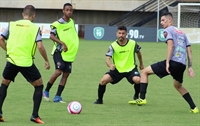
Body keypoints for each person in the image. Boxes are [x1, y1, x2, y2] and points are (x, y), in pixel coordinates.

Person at [135, 12, 199, 113]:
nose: (161, 22)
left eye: (163, 20)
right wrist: (190, 67)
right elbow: (189, 50)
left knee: (144, 72)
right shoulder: (182, 33)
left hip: (173, 62)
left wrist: (168, 63)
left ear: (170, 20)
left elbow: (171, 45)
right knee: (177, 85)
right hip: (182, 65)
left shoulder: (167, 30)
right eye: (160, 20)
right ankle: (194, 108)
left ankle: (142, 99)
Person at [0, 5, 50, 124]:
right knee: (39, 85)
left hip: (11, 60)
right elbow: (40, 46)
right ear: (33, 16)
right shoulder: (35, 28)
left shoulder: (12, 24)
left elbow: (1, 39)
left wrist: (8, 50)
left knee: (4, 83)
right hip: (26, 62)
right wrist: (47, 60)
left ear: (23, 14)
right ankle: (35, 115)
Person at [94, 26, 144, 104]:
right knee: (103, 80)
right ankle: (99, 100)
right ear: (116, 34)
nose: (121, 35)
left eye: (123, 33)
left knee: (138, 80)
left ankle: (136, 96)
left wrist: (141, 63)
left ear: (126, 34)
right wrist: (110, 65)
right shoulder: (113, 46)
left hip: (131, 68)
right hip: (117, 69)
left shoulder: (133, 43)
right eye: (119, 33)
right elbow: (107, 58)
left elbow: (139, 53)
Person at [43, 3, 79, 103]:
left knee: (66, 74)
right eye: (67, 10)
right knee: (58, 71)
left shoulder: (72, 22)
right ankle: (46, 91)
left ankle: (58, 96)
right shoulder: (57, 24)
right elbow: (51, 36)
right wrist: (62, 43)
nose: (69, 12)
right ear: (63, 11)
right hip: (59, 51)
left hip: (69, 54)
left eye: (71, 10)